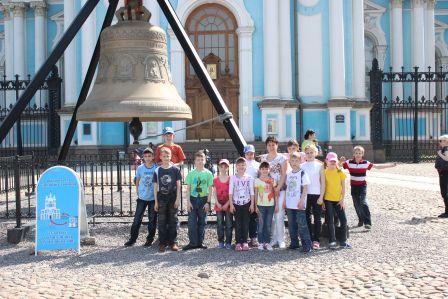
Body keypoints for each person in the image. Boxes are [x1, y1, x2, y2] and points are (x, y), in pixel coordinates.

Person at [340, 145, 397, 229]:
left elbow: (377, 167)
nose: (358, 155)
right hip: (354, 186)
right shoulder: (349, 163)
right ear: (354, 154)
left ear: (362, 154)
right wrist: (340, 161)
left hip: (362, 186)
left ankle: (368, 222)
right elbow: (339, 166)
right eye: (356, 153)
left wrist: (390, 165)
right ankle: (361, 220)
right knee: (356, 204)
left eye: (360, 153)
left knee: (363, 203)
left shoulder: (365, 163)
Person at [124, 148, 158, 247]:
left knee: (152, 220)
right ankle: (132, 239)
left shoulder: (156, 168)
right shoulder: (140, 168)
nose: (147, 158)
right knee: (137, 219)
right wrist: (137, 191)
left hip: (152, 198)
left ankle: (149, 240)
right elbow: (137, 180)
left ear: (152, 157)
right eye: (145, 156)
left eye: (149, 156)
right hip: (142, 198)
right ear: (143, 157)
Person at [260, 136, 288, 249]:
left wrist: (278, 187)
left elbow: (284, 174)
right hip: (267, 191)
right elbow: (262, 175)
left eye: (273, 144)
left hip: (280, 189)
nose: (271, 147)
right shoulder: (264, 159)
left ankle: (281, 239)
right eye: (269, 145)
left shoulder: (282, 158)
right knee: (270, 217)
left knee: (279, 215)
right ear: (266, 146)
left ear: (277, 145)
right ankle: (273, 238)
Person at [183, 151, 214, 251]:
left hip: (203, 199)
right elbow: (188, 189)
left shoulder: (208, 173)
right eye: (198, 160)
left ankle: (200, 242)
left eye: (202, 160)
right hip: (193, 199)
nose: (200, 162)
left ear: (205, 161)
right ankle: (193, 242)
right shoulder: (191, 174)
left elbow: (210, 189)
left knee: (202, 222)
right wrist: (188, 202)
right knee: (191, 222)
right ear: (194, 161)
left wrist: (208, 202)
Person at [153, 147, 182, 252]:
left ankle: (173, 242)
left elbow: (178, 185)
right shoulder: (157, 170)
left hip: (172, 196)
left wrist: (178, 199)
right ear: (160, 157)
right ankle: (162, 242)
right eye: (164, 156)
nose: (166, 158)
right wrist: (156, 201)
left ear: (171, 157)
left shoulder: (175, 169)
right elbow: (155, 186)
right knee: (161, 220)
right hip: (161, 197)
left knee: (173, 220)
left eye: (168, 156)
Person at [284, 152, 312, 252]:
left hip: (299, 204)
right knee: (292, 224)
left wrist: (302, 200)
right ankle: (294, 243)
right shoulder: (289, 174)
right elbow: (288, 188)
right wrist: (285, 202)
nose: (294, 162)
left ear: (300, 161)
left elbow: (305, 188)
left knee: (302, 225)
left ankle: (307, 245)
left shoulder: (302, 173)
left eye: (296, 160)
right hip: (290, 204)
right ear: (290, 162)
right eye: (292, 160)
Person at [323, 152, 351, 250]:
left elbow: (343, 187)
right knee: (330, 221)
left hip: (338, 200)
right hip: (328, 200)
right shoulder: (324, 172)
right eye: (330, 161)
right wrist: (322, 201)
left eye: (334, 161)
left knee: (343, 220)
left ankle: (343, 241)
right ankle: (332, 240)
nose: (332, 162)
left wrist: (342, 200)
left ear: (337, 161)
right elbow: (323, 187)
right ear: (326, 161)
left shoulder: (340, 172)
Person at [301, 144, 325, 250]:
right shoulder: (302, 166)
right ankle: (309, 238)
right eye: (307, 153)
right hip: (305, 195)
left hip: (316, 194)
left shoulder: (320, 165)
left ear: (316, 153)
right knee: (306, 218)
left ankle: (316, 239)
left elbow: (323, 182)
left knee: (317, 218)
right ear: (304, 154)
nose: (309, 154)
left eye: (311, 152)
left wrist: (322, 196)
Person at [229, 157, 255, 251]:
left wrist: (252, 204)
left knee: (245, 223)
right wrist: (231, 204)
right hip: (236, 204)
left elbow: (252, 192)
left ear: (246, 166)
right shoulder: (233, 178)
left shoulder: (249, 178)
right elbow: (230, 192)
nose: (241, 167)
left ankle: (244, 241)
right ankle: (238, 242)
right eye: (239, 165)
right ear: (236, 167)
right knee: (238, 223)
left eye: (243, 165)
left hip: (246, 203)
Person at [254, 161, 276, 251]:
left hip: (270, 205)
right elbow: (256, 194)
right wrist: (255, 206)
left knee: (268, 224)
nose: (264, 170)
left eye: (266, 169)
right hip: (261, 205)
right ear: (260, 170)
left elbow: (275, 193)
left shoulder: (272, 180)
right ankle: (260, 242)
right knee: (261, 224)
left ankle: (267, 242)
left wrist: (276, 205)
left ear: (269, 169)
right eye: (262, 169)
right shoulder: (257, 181)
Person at [213, 159, 233, 249]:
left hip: (228, 204)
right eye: (221, 166)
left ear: (228, 168)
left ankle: (228, 242)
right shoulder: (216, 179)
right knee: (220, 223)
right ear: (219, 167)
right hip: (219, 204)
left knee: (229, 224)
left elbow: (233, 192)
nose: (223, 168)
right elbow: (214, 192)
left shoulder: (231, 179)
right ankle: (221, 241)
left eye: (225, 167)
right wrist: (217, 203)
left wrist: (228, 204)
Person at [244, 144, 260, 247]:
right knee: (245, 216)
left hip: (254, 192)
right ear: (245, 154)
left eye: (251, 153)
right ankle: (244, 238)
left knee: (254, 216)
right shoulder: (242, 163)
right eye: (248, 153)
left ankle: (254, 237)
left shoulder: (257, 165)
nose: (250, 155)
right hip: (244, 193)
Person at [434, 135, 448, 218]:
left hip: (444, 171)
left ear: (446, 141)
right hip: (443, 171)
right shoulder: (445, 148)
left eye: (441, 140)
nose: (439, 142)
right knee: (445, 191)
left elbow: (447, 158)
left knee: (444, 192)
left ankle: (447, 212)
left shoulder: (446, 148)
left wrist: (439, 153)